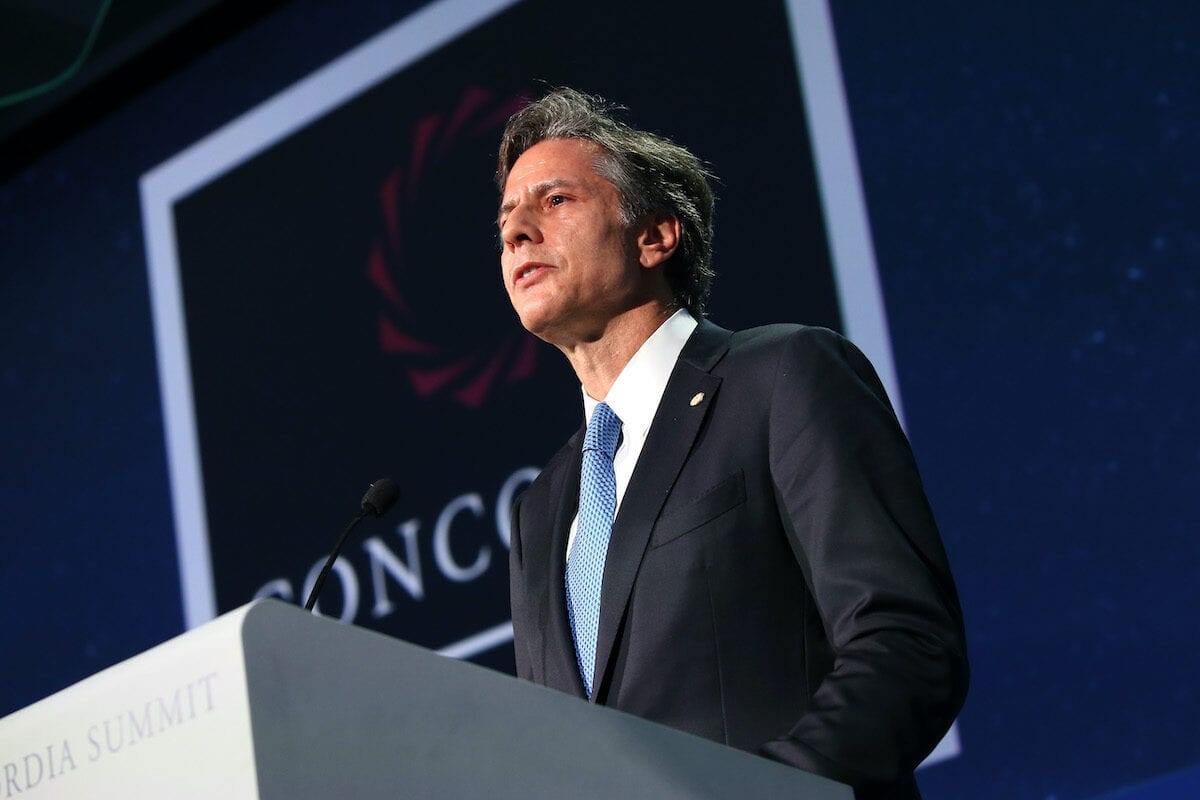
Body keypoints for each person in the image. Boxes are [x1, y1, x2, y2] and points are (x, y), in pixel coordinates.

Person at [497, 88, 967, 800]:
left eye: (554, 200)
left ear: (655, 236)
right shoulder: (541, 508)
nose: (517, 233)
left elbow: (906, 642)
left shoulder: (781, 377)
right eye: (506, 219)